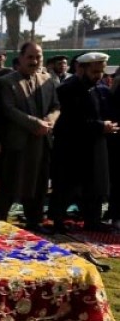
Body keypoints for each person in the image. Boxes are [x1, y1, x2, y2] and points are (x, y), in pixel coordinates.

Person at [0, 42, 60, 233]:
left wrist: (49, 121)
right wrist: (34, 123)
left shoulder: (48, 80)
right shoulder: (7, 82)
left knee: (39, 184)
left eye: (38, 57)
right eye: (30, 57)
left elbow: (56, 106)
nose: (34, 61)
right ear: (21, 58)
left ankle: (34, 222)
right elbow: (8, 109)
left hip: (42, 140)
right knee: (9, 184)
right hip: (17, 143)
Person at [49, 52, 116, 232]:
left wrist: (105, 125)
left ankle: (92, 221)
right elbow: (72, 120)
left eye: (101, 72)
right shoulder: (69, 89)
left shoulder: (97, 87)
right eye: (94, 72)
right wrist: (100, 126)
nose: (98, 76)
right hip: (72, 147)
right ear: (81, 68)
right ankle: (58, 221)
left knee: (94, 186)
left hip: (93, 145)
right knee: (67, 187)